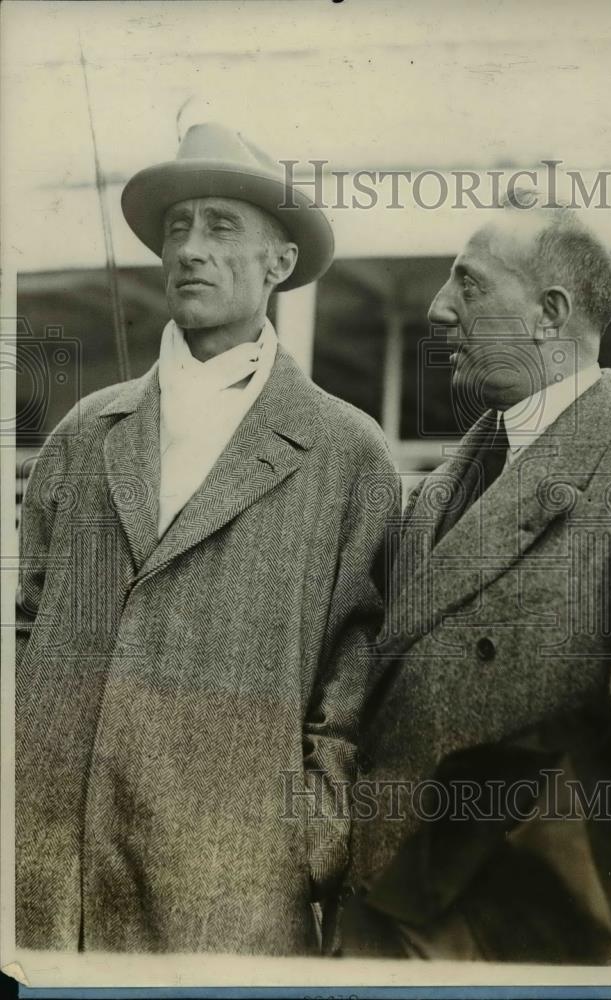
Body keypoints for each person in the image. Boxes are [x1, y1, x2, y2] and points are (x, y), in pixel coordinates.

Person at [16, 121, 399, 955]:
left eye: (222, 226)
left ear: (281, 262)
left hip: (229, 893)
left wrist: (311, 843)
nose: (190, 249)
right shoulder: (89, 432)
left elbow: (354, 680)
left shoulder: (344, 449)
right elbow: (29, 621)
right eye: (178, 227)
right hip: (54, 881)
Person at [343, 201, 611, 965]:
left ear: (549, 315)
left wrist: (445, 880)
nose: (440, 311)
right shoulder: (441, 489)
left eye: (468, 285)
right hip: (379, 918)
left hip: (508, 936)